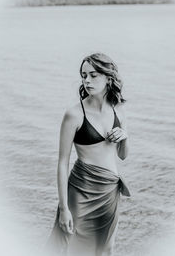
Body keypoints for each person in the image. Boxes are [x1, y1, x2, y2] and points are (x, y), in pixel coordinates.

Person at [45, 53, 131, 256]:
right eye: (84, 75)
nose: (87, 80)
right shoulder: (74, 114)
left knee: (105, 248)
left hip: (110, 190)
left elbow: (123, 155)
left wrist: (124, 136)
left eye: (93, 75)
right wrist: (64, 208)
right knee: (67, 245)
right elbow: (62, 162)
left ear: (108, 77)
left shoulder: (118, 109)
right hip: (81, 190)